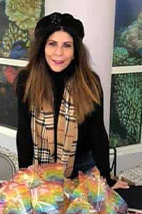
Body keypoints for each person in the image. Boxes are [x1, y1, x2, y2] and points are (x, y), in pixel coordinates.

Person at [15, 12, 129, 190]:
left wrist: (106, 179)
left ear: (75, 51)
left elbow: (98, 134)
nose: (59, 53)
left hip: (84, 169)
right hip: (41, 170)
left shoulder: (90, 82)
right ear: (42, 48)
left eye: (67, 45)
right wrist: (23, 174)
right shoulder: (26, 79)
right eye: (52, 44)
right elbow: (24, 132)